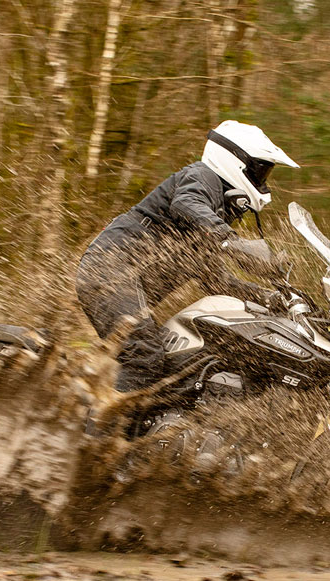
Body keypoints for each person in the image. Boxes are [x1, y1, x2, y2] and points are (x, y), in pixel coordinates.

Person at [75, 120, 300, 391]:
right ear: (235, 160)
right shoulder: (202, 178)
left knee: (173, 363)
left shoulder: (214, 210)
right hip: (107, 270)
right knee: (144, 358)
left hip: (120, 278)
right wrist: (232, 241)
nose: (263, 181)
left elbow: (215, 280)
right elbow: (186, 203)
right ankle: (92, 434)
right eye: (260, 172)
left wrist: (269, 297)